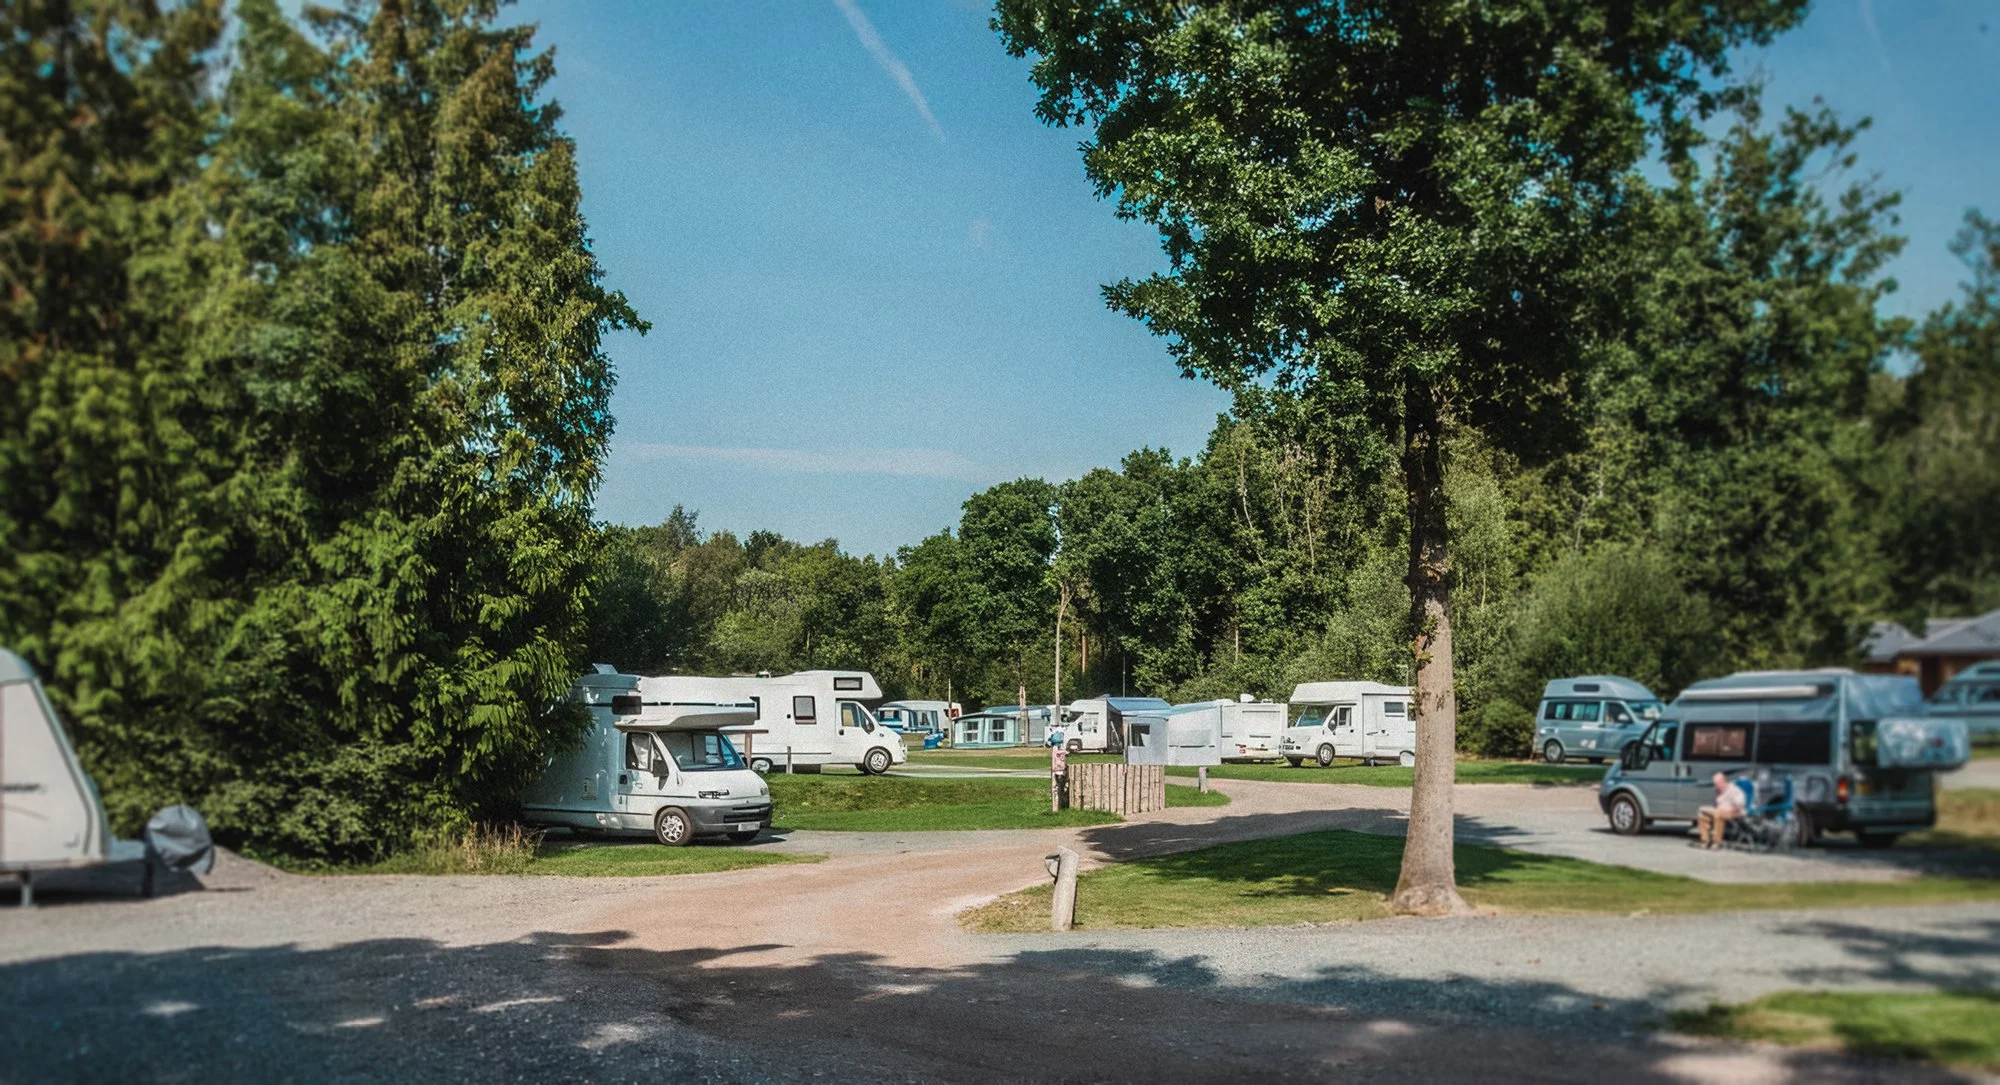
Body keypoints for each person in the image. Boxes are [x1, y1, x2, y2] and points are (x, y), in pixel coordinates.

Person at [1695, 771, 1746, 849]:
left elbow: (1740, 805)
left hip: (1733, 813)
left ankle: (1716, 842)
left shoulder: (1734, 790)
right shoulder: (1718, 791)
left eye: (1717, 784)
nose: (1716, 786)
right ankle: (1705, 840)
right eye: (1715, 784)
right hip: (1719, 811)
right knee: (1702, 814)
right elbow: (1717, 804)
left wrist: (1732, 810)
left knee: (1718, 814)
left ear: (1723, 781)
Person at [1049, 741, 1069, 813]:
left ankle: (1059, 804)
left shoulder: (1057, 750)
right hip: (1058, 769)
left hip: (1058, 769)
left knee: (1059, 787)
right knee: (1057, 787)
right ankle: (1057, 806)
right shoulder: (1057, 750)